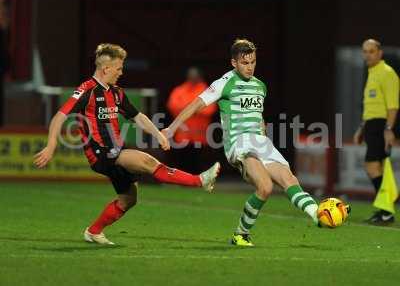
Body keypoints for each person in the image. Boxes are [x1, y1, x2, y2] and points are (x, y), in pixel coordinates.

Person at [34, 43, 220, 245]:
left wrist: (158, 134)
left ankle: (94, 231)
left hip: (115, 150)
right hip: (100, 152)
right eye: (119, 68)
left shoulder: (116, 93)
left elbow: (137, 116)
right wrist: (51, 145)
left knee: (129, 199)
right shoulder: (86, 90)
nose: (121, 72)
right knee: (147, 161)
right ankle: (200, 180)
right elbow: (59, 116)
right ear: (106, 69)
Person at [162, 39, 319, 246]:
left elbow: (257, 114)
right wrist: (172, 128)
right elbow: (196, 105)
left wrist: (262, 131)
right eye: (245, 63)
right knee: (265, 186)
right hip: (239, 143)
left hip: (261, 142)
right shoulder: (224, 83)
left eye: (253, 62)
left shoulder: (259, 86)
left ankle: (319, 215)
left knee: (289, 180)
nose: (250, 67)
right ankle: (242, 234)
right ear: (234, 63)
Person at [353, 39, 399, 225]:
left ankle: (386, 209)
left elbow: (393, 105)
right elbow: (372, 105)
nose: (367, 55)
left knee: (373, 166)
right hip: (371, 125)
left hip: (382, 125)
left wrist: (389, 129)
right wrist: (362, 128)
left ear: (380, 53)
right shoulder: (372, 73)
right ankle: (384, 210)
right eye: (365, 51)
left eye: (371, 51)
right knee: (375, 167)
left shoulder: (387, 73)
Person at [167, 67, 217, 172]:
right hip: (182, 134)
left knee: (198, 163)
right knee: (182, 161)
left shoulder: (207, 90)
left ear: (199, 77)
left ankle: (198, 181)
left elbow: (210, 109)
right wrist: (195, 108)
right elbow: (172, 105)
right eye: (191, 76)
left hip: (200, 135)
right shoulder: (180, 90)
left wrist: (188, 109)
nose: (193, 78)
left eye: (195, 76)